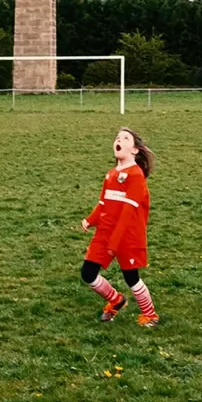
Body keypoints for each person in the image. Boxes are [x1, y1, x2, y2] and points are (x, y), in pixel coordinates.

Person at [80, 127, 159, 326]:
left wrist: (115, 241)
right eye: (117, 137)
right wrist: (90, 220)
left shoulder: (135, 175)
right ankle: (116, 300)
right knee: (87, 273)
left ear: (135, 150)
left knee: (131, 277)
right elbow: (104, 203)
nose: (119, 140)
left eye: (125, 138)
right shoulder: (111, 174)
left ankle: (150, 315)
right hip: (105, 232)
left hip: (128, 236)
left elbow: (127, 212)